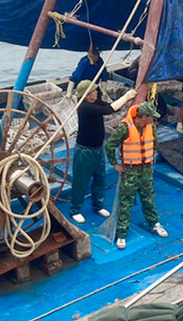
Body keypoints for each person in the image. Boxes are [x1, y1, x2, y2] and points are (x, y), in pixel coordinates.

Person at [69, 80, 137, 224]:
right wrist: (126, 97)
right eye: (93, 91)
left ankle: (97, 205)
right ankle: (75, 209)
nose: (96, 92)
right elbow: (109, 110)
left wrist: (127, 100)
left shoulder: (96, 102)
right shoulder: (85, 107)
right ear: (86, 95)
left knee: (100, 178)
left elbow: (111, 107)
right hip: (85, 151)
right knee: (81, 181)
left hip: (98, 149)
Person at [105, 101, 168, 249]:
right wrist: (115, 164)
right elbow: (109, 145)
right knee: (126, 202)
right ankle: (122, 233)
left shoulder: (150, 127)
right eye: (152, 117)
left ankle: (154, 223)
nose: (154, 119)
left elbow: (154, 144)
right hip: (130, 170)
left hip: (146, 169)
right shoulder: (124, 128)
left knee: (149, 199)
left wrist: (150, 160)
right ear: (144, 117)